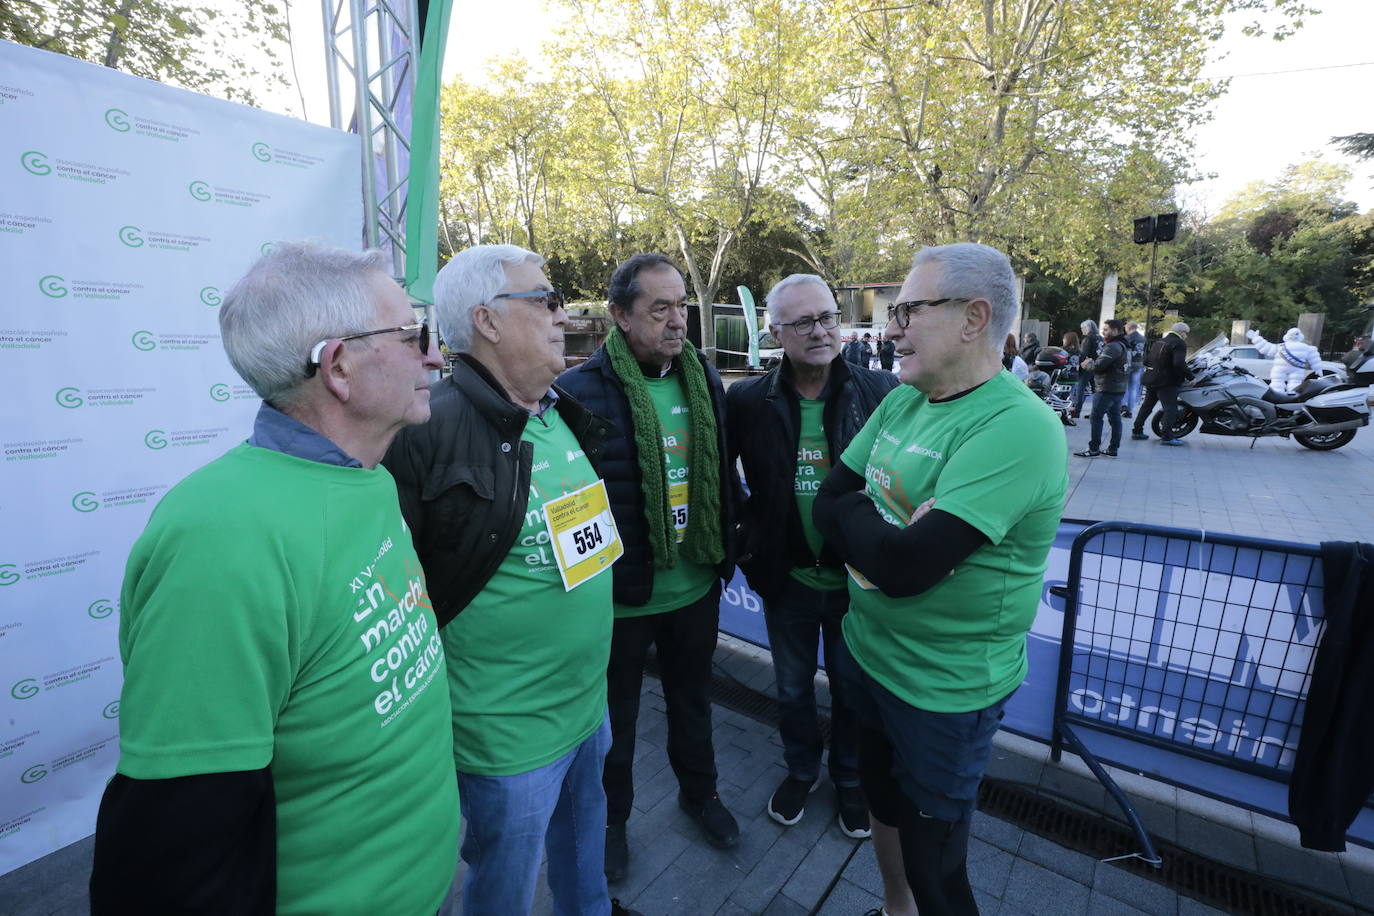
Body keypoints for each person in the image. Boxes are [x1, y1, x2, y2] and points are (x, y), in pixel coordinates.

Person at [89, 242, 457, 914]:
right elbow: (177, 854)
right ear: (339, 367)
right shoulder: (221, 539)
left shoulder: (365, 475)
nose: (435, 355)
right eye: (414, 335)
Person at [814, 243, 1067, 916]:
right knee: (883, 806)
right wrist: (885, 531)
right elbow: (825, 503)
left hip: (942, 693)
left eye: (907, 311)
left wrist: (866, 524)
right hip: (867, 654)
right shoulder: (906, 400)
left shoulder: (1020, 427)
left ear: (973, 318)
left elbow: (901, 569)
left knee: (938, 872)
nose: (890, 328)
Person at [384, 245, 636, 916]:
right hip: (504, 737)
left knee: (585, 865)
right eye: (547, 300)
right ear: (487, 321)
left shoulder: (556, 410)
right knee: (504, 891)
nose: (564, 315)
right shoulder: (424, 429)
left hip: (587, 710)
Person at [557, 254, 740, 882]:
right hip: (622, 600)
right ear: (620, 315)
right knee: (617, 723)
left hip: (694, 588)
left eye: (681, 305)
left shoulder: (705, 379)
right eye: (658, 309)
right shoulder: (578, 392)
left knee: (694, 703)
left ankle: (701, 795)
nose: (676, 321)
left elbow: (721, 476)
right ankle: (611, 822)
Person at [725, 274, 898, 839]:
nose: (820, 331)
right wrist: (748, 544)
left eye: (826, 317)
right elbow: (728, 483)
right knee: (794, 689)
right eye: (802, 322)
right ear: (775, 332)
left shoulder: (881, 390)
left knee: (852, 690)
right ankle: (802, 770)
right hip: (787, 582)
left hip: (856, 585)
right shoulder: (748, 400)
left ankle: (849, 780)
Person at [1132, 321, 1193, 446]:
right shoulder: (1179, 343)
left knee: (1147, 406)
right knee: (1170, 408)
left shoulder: (1159, 341)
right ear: (1181, 332)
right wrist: (1190, 377)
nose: (1186, 336)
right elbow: (1179, 363)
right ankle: (1167, 437)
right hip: (1167, 381)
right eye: (1186, 333)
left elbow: (1147, 360)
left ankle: (1137, 431)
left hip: (1151, 379)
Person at [1074, 318, 1128, 458]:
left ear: (1115, 331)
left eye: (1106, 330)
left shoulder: (1113, 346)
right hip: (1118, 388)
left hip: (1106, 388)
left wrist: (1088, 364)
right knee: (1115, 419)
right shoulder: (1124, 345)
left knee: (1096, 418)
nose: (1103, 332)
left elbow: (1099, 366)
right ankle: (1113, 449)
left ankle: (1093, 449)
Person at [1247, 326, 1323, 394]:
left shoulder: (1280, 347)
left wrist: (1256, 338)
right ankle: (1293, 397)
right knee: (1295, 383)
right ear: (1300, 336)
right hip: (1297, 369)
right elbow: (1314, 358)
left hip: (1279, 369)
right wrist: (1318, 369)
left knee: (1277, 383)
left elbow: (1266, 347)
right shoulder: (1306, 347)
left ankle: (1276, 396)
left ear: (1287, 336)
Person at [1071, 319, 1102, 418]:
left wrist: (1079, 368)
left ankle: (1077, 411)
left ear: (1087, 328)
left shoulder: (1088, 339)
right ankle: (1096, 412)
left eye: (1082, 328)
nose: (1082, 330)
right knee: (1096, 391)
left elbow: (1083, 354)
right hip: (1098, 366)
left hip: (1087, 367)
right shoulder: (1100, 338)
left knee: (1080, 390)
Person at [1122, 320, 1146, 417]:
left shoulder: (1127, 338)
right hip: (1139, 364)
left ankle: (1122, 405)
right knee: (1133, 388)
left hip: (1129, 364)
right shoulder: (1143, 338)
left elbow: (1124, 352)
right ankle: (1130, 410)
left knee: (1123, 385)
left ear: (1129, 328)